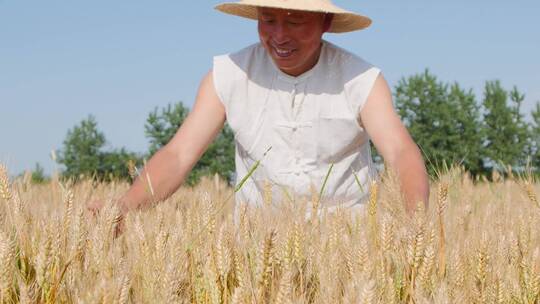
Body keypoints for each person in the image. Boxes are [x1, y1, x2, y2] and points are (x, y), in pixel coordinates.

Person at [89, 0, 429, 219]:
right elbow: (179, 155)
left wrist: (417, 227)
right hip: (255, 253)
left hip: (349, 250)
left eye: (295, 22)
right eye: (268, 20)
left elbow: (399, 152)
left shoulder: (361, 79)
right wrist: (125, 207)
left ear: (325, 22)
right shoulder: (228, 74)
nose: (279, 36)